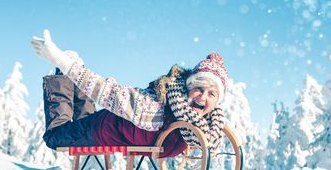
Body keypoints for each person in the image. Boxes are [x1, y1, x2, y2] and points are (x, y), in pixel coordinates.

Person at [31, 30, 229, 158]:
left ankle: (73, 73)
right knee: (54, 137)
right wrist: (64, 64)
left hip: (106, 125)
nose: (203, 97)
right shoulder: (154, 106)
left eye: (212, 94)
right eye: (199, 89)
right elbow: (106, 91)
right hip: (100, 130)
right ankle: (63, 75)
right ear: (188, 87)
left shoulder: (205, 123)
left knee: (85, 118)